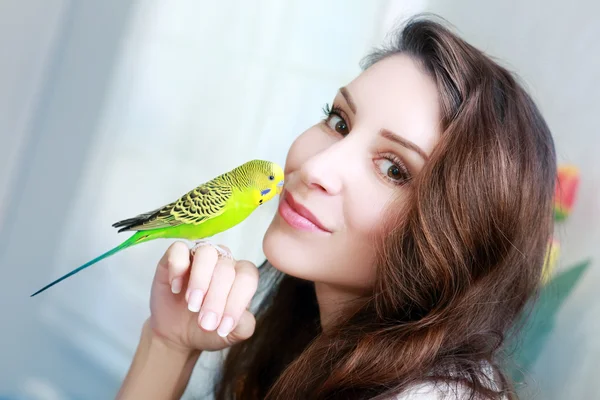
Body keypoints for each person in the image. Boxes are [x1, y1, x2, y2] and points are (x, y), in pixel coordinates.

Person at [116, 14, 556, 400]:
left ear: (457, 242)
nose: (315, 167)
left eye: (395, 170)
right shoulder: (307, 345)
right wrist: (168, 344)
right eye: (339, 121)